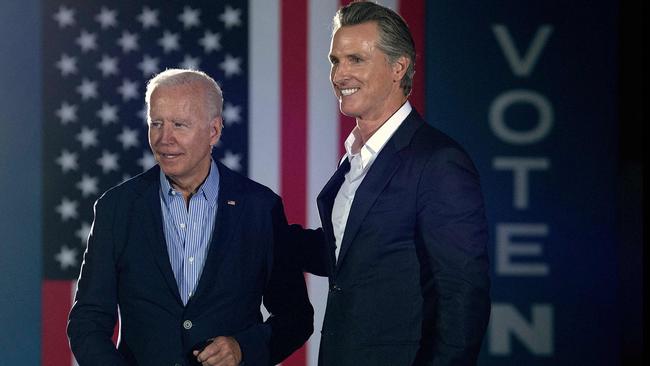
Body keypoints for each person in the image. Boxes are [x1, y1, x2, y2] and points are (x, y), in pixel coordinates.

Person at [67, 69, 313, 366]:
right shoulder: (116, 209)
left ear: (214, 131)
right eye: (155, 123)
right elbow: (87, 320)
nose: (163, 138)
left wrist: (242, 348)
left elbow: (296, 317)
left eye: (179, 125)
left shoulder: (260, 208)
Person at [296, 2, 491, 365]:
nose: (340, 75)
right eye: (335, 61)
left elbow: (463, 298)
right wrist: (259, 227)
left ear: (398, 67)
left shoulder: (437, 162)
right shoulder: (356, 158)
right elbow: (349, 257)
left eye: (356, 59)